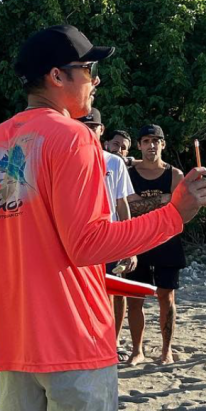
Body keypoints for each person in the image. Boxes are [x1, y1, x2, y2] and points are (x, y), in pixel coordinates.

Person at [0, 24, 206, 411]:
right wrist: (176, 214)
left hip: (15, 338)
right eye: (89, 69)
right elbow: (88, 243)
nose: (96, 79)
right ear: (57, 76)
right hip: (75, 338)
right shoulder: (74, 137)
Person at [125, 124, 187, 366]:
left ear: (163, 144)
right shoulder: (128, 172)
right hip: (136, 241)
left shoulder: (175, 175)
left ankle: (166, 350)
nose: (151, 146)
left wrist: (145, 202)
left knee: (166, 297)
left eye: (156, 141)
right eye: (146, 141)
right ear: (139, 145)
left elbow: (178, 207)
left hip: (167, 241)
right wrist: (163, 199)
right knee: (135, 298)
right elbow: (128, 205)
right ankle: (137, 350)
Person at [79, 109, 137, 360]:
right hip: (82, 239)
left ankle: (111, 343)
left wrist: (130, 245)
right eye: (86, 126)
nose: (90, 130)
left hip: (111, 237)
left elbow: (122, 204)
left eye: (94, 126)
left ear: (101, 131)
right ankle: (86, 342)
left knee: (117, 291)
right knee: (83, 295)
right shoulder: (70, 158)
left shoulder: (114, 162)